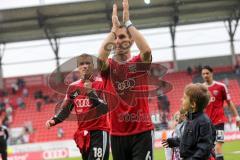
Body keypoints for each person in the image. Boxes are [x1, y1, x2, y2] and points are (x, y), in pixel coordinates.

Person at [98, 0, 154, 159]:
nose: (118, 41)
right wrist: (113, 31)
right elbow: (100, 59)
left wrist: (128, 22)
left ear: (130, 41)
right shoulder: (109, 67)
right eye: (116, 38)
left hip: (142, 131)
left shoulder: (139, 63)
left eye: (122, 37)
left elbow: (147, 50)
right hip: (117, 133)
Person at [46, 54, 109, 160]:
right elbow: (67, 108)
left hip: (99, 132)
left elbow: (105, 108)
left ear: (93, 66)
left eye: (88, 63)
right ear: (78, 67)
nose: (85, 66)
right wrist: (55, 120)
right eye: (81, 64)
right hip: (83, 134)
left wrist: (90, 93)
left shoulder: (101, 84)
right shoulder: (73, 88)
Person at [162, 83, 215, 160]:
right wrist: (173, 142)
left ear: (193, 104)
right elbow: (188, 140)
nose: (181, 100)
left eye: (184, 98)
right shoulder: (189, 119)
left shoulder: (204, 122)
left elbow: (204, 147)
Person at [201, 65, 240, 160]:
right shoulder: (201, 89)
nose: (205, 75)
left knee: (218, 147)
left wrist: (237, 117)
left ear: (211, 73)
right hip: (206, 124)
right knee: (209, 149)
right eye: (203, 74)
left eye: (207, 73)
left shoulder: (221, 87)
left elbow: (229, 102)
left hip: (219, 122)